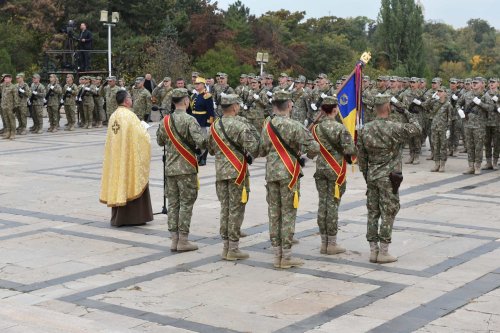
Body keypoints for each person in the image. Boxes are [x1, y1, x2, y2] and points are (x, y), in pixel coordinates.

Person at [357, 93, 421, 264]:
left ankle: (373, 250)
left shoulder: (365, 129)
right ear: (388, 108)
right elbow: (416, 128)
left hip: (372, 176)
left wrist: (367, 175)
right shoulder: (394, 128)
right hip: (389, 177)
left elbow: (361, 158)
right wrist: (407, 112)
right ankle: (383, 251)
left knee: (372, 212)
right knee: (389, 211)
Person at [259, 91, 320, 269]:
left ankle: (277, 253)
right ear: (289, 106)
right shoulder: (295, 126)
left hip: (271, 174)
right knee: (288, 214)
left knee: (274, 213)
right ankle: (286, 256)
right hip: (289, 174)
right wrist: (305, 158)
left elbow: (261, 151)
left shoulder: (267, 126)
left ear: (275, 106)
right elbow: (314, 146)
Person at [208, 94, 260, 260]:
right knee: (236, 209)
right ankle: (233, 248)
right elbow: (255, 148)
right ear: (235, 107)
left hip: (221, 172)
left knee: (225, 208)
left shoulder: (215, 126)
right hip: (237, 172)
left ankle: (226, 246)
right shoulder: (240, 125)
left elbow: (210, 149)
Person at [156, 88, 207, 252]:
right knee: (186, 203)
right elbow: (201, 142)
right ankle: (183, 240)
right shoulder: (190, 120)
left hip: (170, 168)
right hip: (186, 168)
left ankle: (174, 240)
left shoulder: (165, 121)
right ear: (186, 101)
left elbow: (159, 141)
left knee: (173, 203)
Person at [100, 90, 153, 227]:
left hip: (117, 158)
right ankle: (133, 218)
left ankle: (118, 217)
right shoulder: (130, 116)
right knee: (131, 181)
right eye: (130, 97)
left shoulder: (114, 115)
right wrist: (145, 132)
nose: (132, 100)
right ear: (125, 100)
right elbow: (141, 137)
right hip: (129, 158)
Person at [311, 96, 356, 255]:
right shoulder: (340, 128)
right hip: (335, 169)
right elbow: (350, 150)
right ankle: (332, 243)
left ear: (323, 111)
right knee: (332, 205)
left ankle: (323, 242)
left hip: (321, 168)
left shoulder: (315, 128)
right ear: (335, 110)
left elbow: (312, 150)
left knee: (322, 203)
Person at [457, 77, 490, 174]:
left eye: (476, 83)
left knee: (478, 147)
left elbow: (490, 108)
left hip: (479, 125)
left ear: (481, 84)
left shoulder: (485, 96)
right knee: (470, 146)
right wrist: (460, 111)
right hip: (468, 124)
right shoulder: (466, 95)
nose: (474, 84)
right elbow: (458, 104)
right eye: (473, 82)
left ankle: (478, 166)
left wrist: (480, 103)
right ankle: (470, 166)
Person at [189, 77, 215, 166]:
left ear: (203, 85)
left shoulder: (207, 96)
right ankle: (198, 156)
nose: (196, 85)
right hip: (194, 120)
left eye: (198, 84)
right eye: (195, 84)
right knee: (194, 140)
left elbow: (210, 111)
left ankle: (203, 158)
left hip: (203, 121)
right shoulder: (194, 96)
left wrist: (209, 123)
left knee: (203, 140)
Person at [429, 87, 453, 172]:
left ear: (445, 93)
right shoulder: (435, 103)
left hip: (443, 128)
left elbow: (450, 117)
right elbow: (426, 105)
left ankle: (442, 165)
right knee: (435, 146)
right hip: (435, 127)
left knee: (443, 147)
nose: (439, 93)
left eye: (441, 91)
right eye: (438, 91)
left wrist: (449, 129)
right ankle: (436, 164)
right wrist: (432, 98)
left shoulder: (448, 105)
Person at [1, 74, 17, 140]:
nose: (5, 79)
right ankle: (8, 132)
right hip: (4, 106)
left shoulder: (13, 87)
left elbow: (16, 98)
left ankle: (13, 133)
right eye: (5, 78)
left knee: (12, 120)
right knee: (6, 120)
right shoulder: (3, 86)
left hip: (10, 107)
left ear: (10, 79)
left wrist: (16, 106)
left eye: (7, 78)